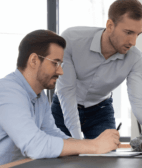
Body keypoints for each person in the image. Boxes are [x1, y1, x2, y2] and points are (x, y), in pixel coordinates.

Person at [0, 30, 120, 165]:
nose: (60, 71)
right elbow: (35, 145)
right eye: (55, 63)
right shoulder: (8, 91)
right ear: (34, 60)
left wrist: (92, 144)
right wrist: (94, 145)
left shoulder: (39, 96)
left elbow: (52, 134)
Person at [51, 0, 142, 140]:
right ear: (110, 25)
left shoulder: (135, 58)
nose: (133, 42)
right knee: (58, 157)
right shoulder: (71, 40)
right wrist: (79, 143)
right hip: (63, 107)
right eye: (128, 32)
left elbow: (139, 100)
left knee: (107, 160)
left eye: (137, 34)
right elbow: (67, 91)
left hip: (100, 111)